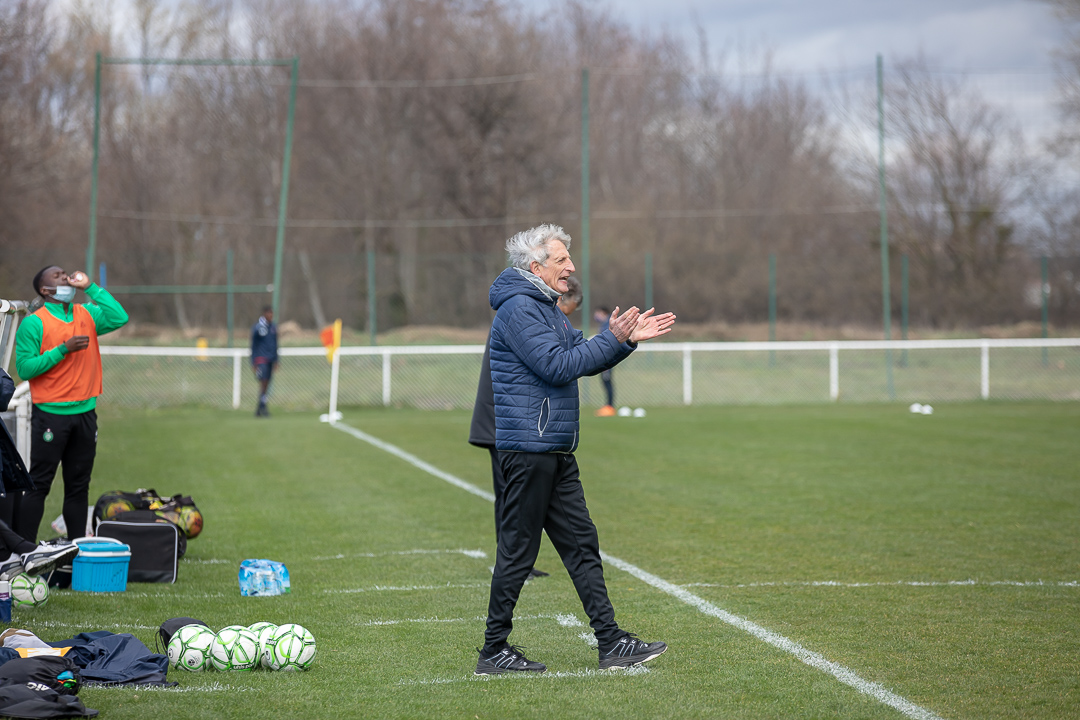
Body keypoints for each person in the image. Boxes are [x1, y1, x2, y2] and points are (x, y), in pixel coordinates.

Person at [474, 224, 676, 675]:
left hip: (554, 447)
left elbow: (579, 358)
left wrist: (625, 341)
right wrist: (614, 337)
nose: (570, 268)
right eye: (562, 260)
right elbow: (557, 365)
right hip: (529, 449)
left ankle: (611, 641)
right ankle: (493, 650)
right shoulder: (520, 310)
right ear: (536, 266)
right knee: (518, 552)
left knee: (582, 545)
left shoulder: (545, 309)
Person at [469, 277, 583, 580]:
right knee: (509, 496)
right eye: (567, 311)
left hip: (516, 422)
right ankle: (509, 564)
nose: (565, 320)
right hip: (505, 422)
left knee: (519, 496)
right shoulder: (522, 316)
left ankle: (517, 562)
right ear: (561, 297)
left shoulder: (530, 316)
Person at [14, 266, 128, 543]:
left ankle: (77, 553)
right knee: (39, 484)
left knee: (78, 488)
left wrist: (91, 287)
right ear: (45, 290)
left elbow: (119, 316)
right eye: (57, 276)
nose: (65, 278)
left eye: (66, 274)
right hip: (51, 416)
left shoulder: (86, 313)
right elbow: (26, 368)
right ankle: (23, 553)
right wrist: (63, 350)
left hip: (86, 415)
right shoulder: (34, 323)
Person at [250, 306, 279, 417]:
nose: (271, 316)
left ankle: (259, 409)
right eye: (269, 314)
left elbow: (276, 344)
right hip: (261, 360)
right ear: (264, 314)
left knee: (266, 385)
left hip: (271, 359)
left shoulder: (273, 327)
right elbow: (253, 346)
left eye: (272, 314)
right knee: (263, 383)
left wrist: (276, 359)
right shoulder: (257, 328)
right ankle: (263, 408)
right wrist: (253, 362)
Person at [593, 306, 617, 416]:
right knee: (605, 382)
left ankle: (610, 406)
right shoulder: (604, 324)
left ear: (603, 313)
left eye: (598, 313)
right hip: (603, 358)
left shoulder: (608, 325)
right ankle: (608, 406)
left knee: (608, 382)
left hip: (607, 359)